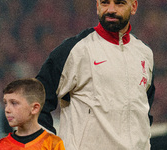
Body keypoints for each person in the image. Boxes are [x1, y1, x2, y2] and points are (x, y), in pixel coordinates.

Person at [36, 0, 155, 149]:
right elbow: (36, 102)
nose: (111, 9)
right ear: (97, 5)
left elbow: (144, 111)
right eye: (105, 3)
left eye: (119, 3)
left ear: (134, 7)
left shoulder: (144, 54)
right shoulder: (75, 50)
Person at [0, 78, 65, 150]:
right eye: (5, 103)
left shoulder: (53, 144)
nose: (7, 109)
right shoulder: (1, 145)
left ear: (34, 108)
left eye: (14, 103)